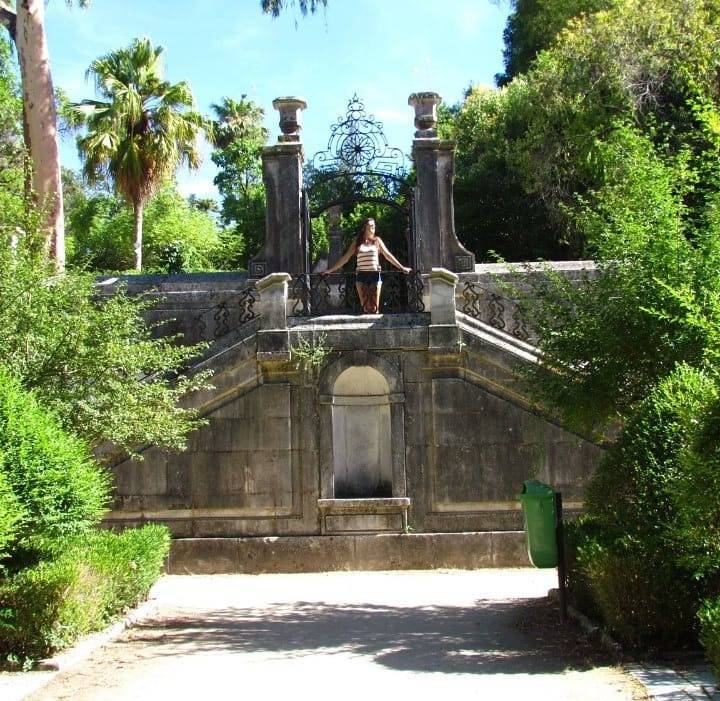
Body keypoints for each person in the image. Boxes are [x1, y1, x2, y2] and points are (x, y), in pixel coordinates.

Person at [324, 218, 411, 313]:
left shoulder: (377, 240)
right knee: (366, 307)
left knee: (374, 308)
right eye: (370, 225)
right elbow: (345, 258)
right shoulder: (357, 242)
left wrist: (402, 267)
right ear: (364, 227)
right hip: (361, 276)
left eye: (374, 226)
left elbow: (388, 255)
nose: (372, 227)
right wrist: (330, 270)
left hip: (375, 275)